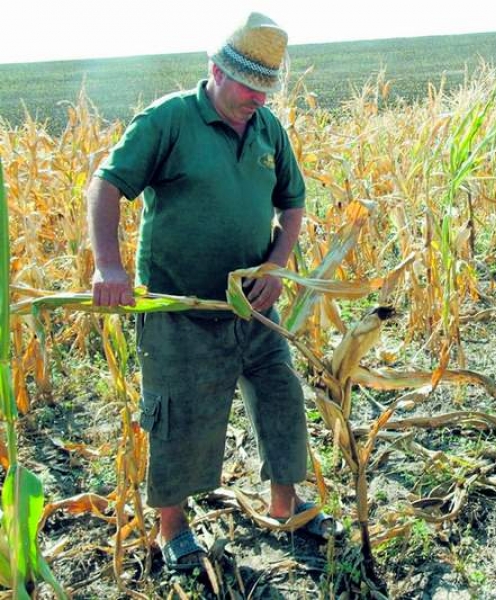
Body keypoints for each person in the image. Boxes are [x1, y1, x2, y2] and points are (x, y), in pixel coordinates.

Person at [86, 12, 340, 571]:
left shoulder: (267, 128)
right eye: (250, 86)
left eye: (267, 89)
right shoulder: (169, 120)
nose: (258, 98)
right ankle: (172, 527)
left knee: (280, 396)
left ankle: (285, 505)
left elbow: (291, 203)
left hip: (253, 305)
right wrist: (109, 267)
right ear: (216, 70)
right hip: (181, 307)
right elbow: (106, 184)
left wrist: (275, 265)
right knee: (177, 418)